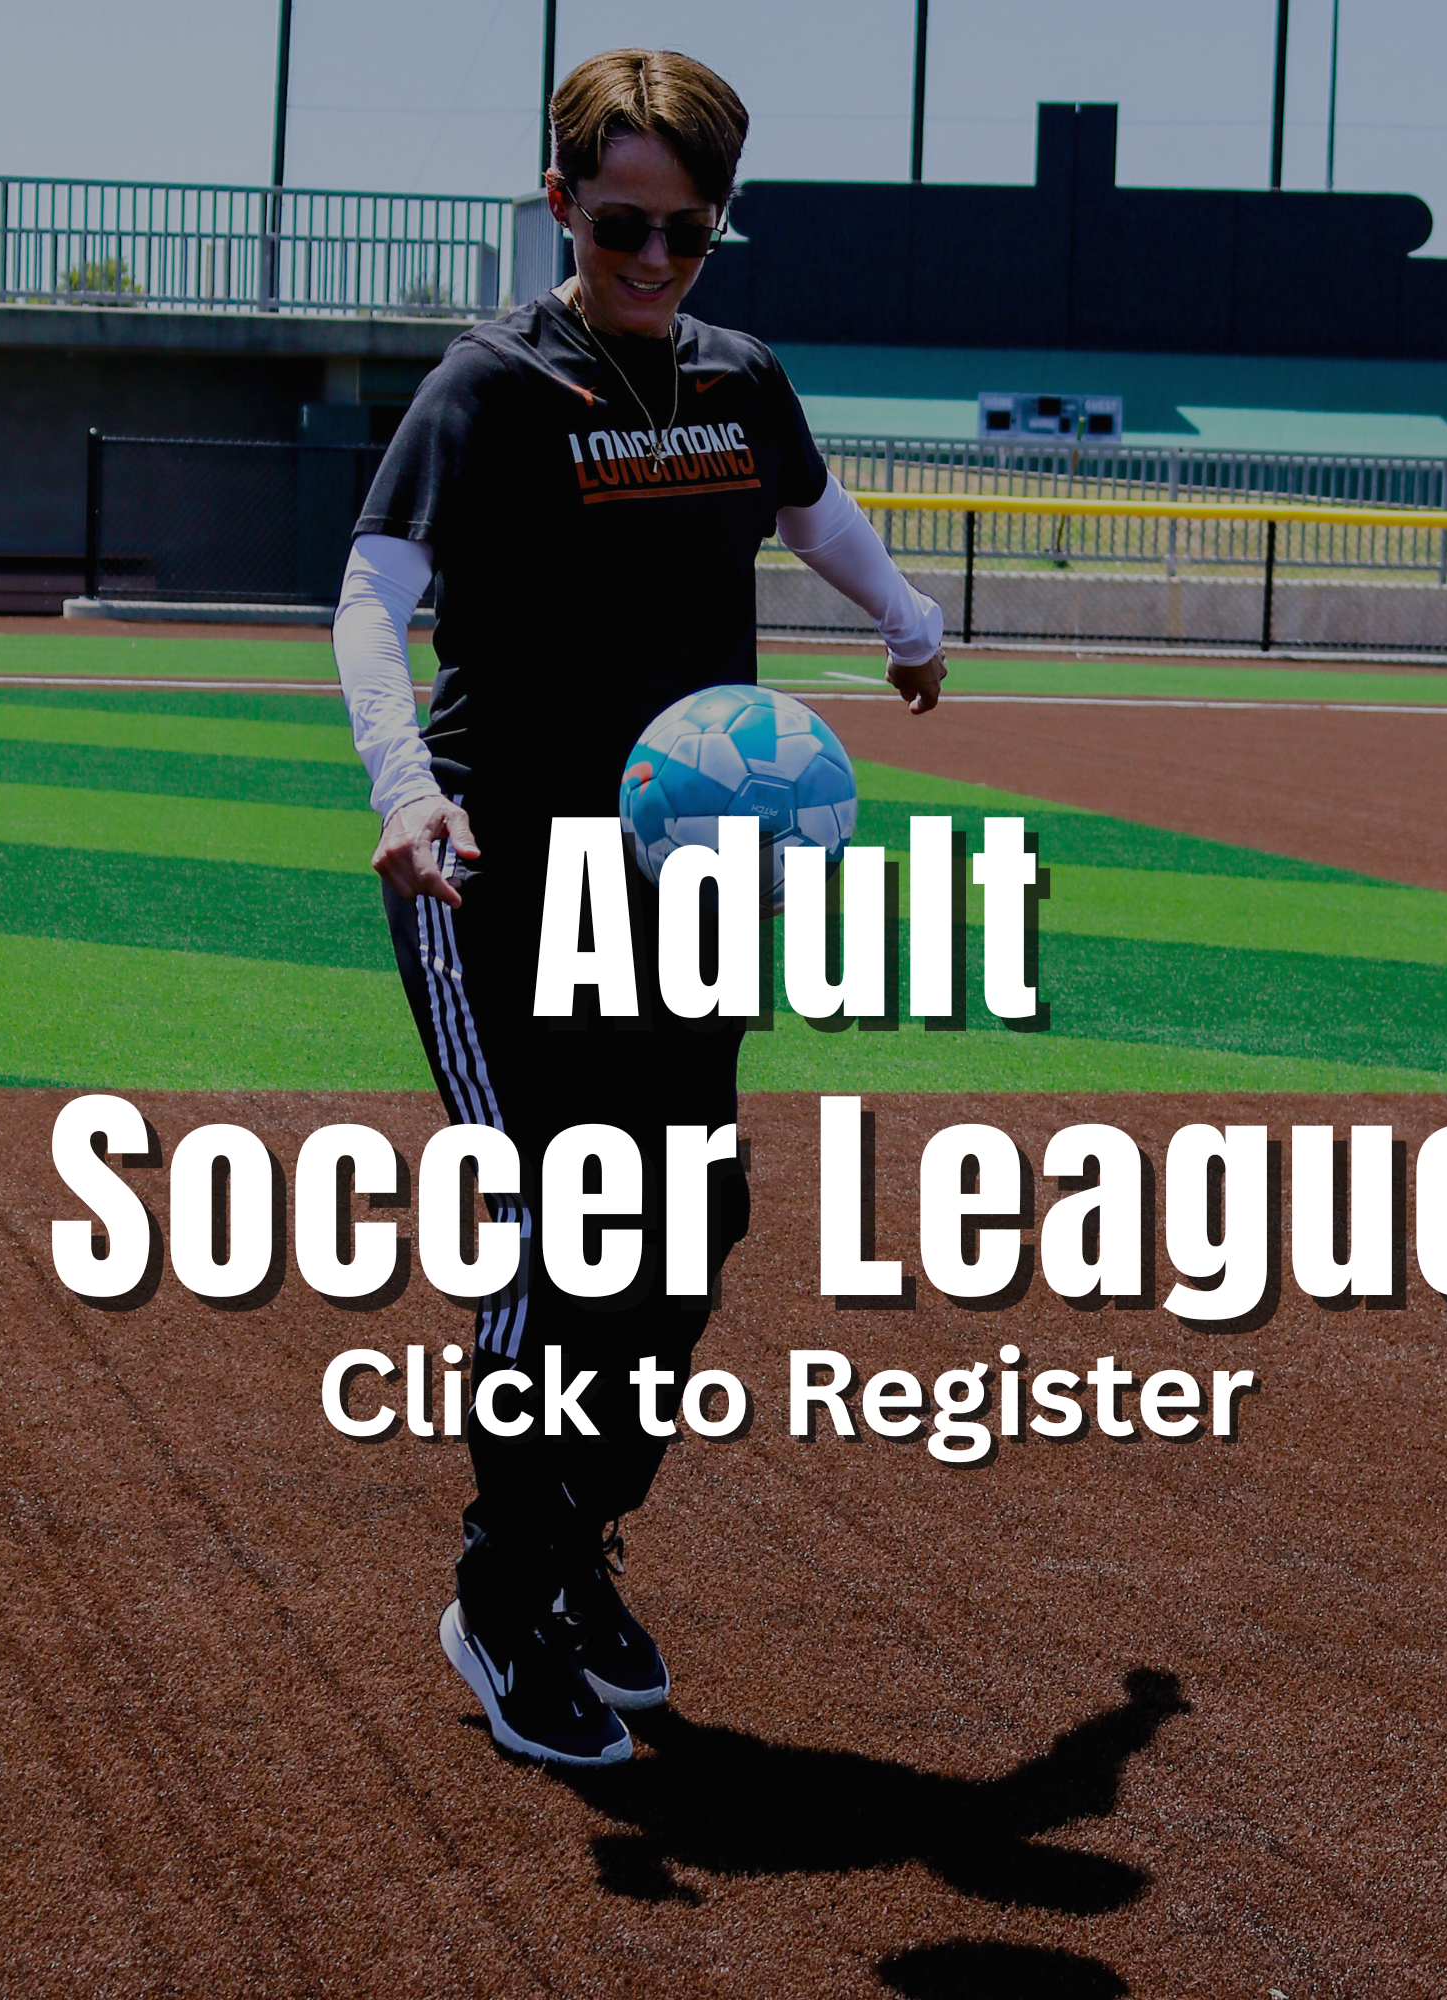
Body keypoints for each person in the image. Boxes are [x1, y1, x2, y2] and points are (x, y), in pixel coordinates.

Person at [332, 47, 947, 1766]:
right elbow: (372, 607)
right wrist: (403, 786)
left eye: (689, 231)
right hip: (490, 867)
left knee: (696, 1227)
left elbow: (810, 511)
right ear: (559, 205)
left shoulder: (740, 380)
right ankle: (499, 1598)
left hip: (671, 884)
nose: (656, 261)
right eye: (622, 227)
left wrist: (904, 617)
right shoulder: (492, 386)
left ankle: (572, 1537)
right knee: (552, 1229)